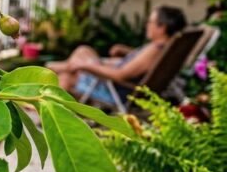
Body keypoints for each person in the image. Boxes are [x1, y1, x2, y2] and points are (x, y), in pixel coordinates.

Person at [47, 6, 187, 105]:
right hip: (122, 84)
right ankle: (58, 67)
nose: (147, 25)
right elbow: (140, 63)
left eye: (150, 21)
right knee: (83, 51)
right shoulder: (165, 47)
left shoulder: (154, 50)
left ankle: (51, 68)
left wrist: (85, 66)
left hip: (115, 91)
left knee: (65, 77)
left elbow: (119, 75)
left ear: (162, 27)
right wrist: (126, 51)